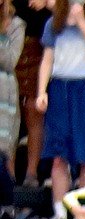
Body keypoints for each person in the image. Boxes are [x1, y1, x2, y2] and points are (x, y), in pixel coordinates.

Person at [34, 0, 85, 219]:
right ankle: (59, 212)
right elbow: (47, 59)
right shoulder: (53, 22)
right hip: (59, 88)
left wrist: (81, 23)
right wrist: (41, 91)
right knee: (58, 156)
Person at [14, 0, 50, 186]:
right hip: (10, 39)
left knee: (33, 110)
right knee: (10, 114)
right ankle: (8, 174)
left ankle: (31, 173)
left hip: (40, 43)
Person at [0, 0, 24, 178]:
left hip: (3, 95)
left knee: (2, 155)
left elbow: (9, 61)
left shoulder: (16, 25)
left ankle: (7, 203)